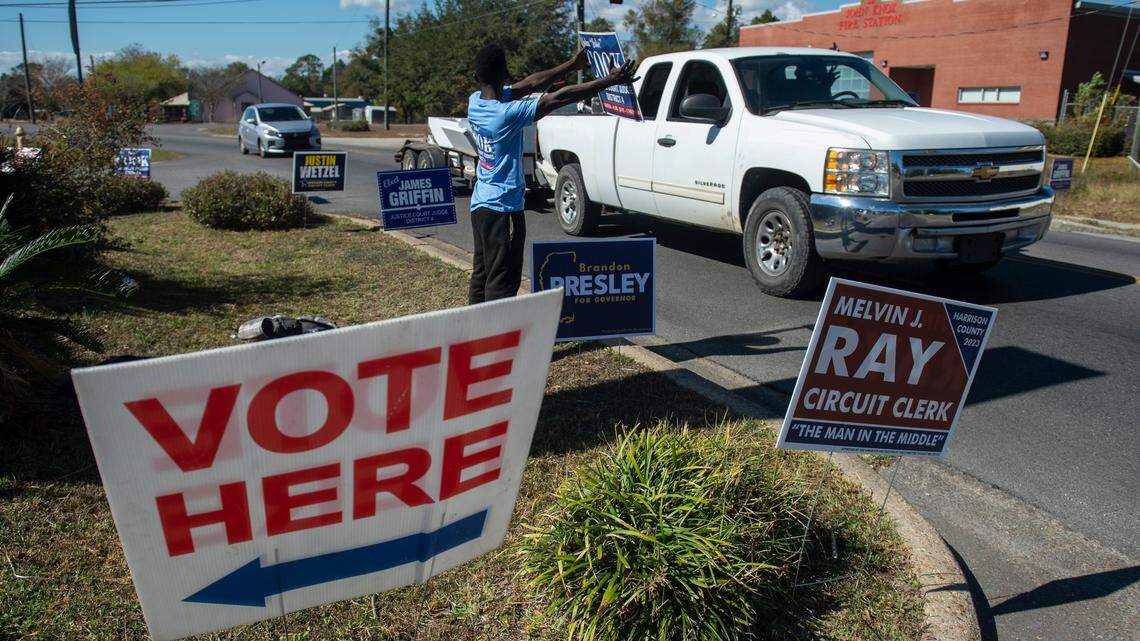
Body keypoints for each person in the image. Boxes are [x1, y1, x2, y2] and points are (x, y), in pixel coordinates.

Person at [466, 43, 638, 304]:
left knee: (482, 272)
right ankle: (498, 337)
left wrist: (572, 64)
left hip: (480, 206)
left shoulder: (475, 102)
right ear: (504, 75)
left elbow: (530, 84)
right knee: (502, 280)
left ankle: (474, 336)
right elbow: (558, 98)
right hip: (503, 209)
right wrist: (609, 81)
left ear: (477, 78)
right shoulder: (505, 114)